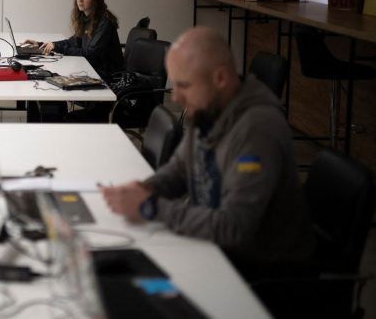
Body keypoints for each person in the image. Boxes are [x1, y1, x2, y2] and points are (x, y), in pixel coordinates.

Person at [100, 26, 314, 278]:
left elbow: (233, 228)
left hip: (259, 275)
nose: (176, 96)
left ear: (220, 78)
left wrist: (150, 207)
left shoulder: (258, 130)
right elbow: (179, 170)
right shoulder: (210, 108)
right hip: (214, 250)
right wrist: (145, 190)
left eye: (184, 85)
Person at [24, 0, 124, 80]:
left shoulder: (105, 22)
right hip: (93, 69)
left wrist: (59, 49)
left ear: (95, 0)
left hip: (108, 77)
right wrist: (44, 45)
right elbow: (74, 41)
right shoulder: (87, 19)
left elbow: (92, 55)